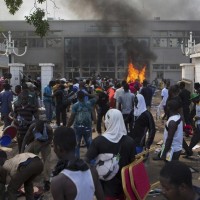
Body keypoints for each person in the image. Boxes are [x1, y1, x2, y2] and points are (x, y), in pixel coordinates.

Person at [86, 109, 136, 200]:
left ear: (107, 122)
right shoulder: (130, 142)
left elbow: (87, 160)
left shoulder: (98, 141)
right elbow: (133, 166)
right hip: (124, 187)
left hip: (104, 188)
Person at [51, 126, 104, 200]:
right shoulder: (92, 171)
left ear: (58, 148)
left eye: (53, 145)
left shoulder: (58, 182)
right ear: (76, 144)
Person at [21, 114, 53, 191]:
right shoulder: (33, 127)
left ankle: (46, 180)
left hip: (46, 143)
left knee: (47, 160)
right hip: (37, 142)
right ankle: (25, 173)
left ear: (43, 126)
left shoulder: (48, 128)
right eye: (37, 129)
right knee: (26, 153)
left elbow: (50, 140)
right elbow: (25, 138)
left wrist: (42, 146)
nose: (38, 130)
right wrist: (22, 152)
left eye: (39, 128)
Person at [67, 90, 97, 158]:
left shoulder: (75, 106)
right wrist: (87, 94)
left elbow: (71, 118)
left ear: (77, 97)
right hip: (87, 127)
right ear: (84, 97)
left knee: (76, 145)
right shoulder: (89, 103)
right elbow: (96, 96)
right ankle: (91, 160)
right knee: (89, 144)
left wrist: (67, 126)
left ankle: (76, 160)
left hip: (77, 127)